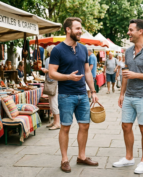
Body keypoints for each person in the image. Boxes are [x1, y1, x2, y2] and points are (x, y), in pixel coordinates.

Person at [49, 17, 99, 173]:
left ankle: (81, 157)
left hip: (82, 95)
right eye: (77, 28)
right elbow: (52, 73)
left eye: (80, 28)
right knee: (65, 127)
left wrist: (93, 91)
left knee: (85, 125)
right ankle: (64, 159)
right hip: (66, 95)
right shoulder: (57, 50)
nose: (80, 30)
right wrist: (68, 77)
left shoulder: (84, 49)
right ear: (68, 30)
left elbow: (87, 71)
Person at [113, 19, 143, 174]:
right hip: (129, 96)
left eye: (131, 30)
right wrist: (121, 93)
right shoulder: (128, 51)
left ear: (140, 31)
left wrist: (136, 75)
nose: (128, 33)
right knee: (126, 126)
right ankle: (129, 158)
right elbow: (126, 74)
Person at [41, 45, 60, 130]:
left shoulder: (51, 59)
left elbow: (56, 71)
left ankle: (57, 123)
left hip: (53, 83)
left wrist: (46, 71)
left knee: (54, 103)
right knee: (52, 104)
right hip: (53, 83)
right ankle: (55, 122)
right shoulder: (55, 59)